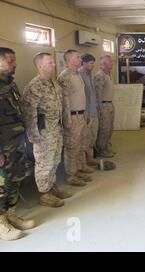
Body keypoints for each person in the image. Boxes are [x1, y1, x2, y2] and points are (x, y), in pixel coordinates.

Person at [22, 53, 72, 207]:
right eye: (50, 62)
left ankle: (51, 187)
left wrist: (66, 121)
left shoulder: (54, 83)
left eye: (53, 62)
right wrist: (33, 134)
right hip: (43, 133)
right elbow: (29, 112)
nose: (54, 65)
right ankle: (44, 194)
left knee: (55, 160)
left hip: (56, 128)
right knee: (44, 163)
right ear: (40, 66)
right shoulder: (34, 86)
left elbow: (61, 104)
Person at [0, 47, 35, 241]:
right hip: (2, 148)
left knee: (16, 179)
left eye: (14, 60)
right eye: (10, 61)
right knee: (1, 185)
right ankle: (1, 223)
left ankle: (11, 214)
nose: (15, 64)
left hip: (17, 144)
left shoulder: (11, 85)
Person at [58, 49, 93, 187]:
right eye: (78, 57)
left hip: (81, 115)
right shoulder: (64, 77)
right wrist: (67, 119)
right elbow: (64, 101)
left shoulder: (77, 74)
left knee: (81, 143)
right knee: (71, 146)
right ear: (69, 60)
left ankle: (80, 167)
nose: (80, 60)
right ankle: (72, 175)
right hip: (72, 117)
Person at [79, 54, 100, 168]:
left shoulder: (89, 74)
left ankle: (90, 159)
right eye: (91, 63)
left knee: (92, 137)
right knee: (85, 139)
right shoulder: (80, 75)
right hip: (86, 114)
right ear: (84, 63)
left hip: (93, 112)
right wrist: (85, 113)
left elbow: (92, 94)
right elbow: (82, 97)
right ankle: (83, 163)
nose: (93, 65)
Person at [95, 55, 116, 160]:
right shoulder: (100, 75)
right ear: (103, 64)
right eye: (110, 62)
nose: (112, 64)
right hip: (103, 106)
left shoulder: (109, 74)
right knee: (104, 129)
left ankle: (106, 147)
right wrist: (99, 110)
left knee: (110, 128)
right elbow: (98, 94)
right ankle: (101, 150)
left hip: (110, 104)